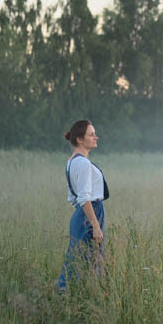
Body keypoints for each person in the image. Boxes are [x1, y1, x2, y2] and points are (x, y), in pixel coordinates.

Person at [56, 119, 110, 289]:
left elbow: (73, 197)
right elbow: (84, 197)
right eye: (91, 134)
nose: (96, 137)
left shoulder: (72, 161)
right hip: (90, 214)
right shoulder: (83, 163)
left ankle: (80, 297)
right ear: (80, 139)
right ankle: (64, 297)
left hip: (82, 215)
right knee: (81, 263)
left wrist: (83, 215)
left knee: (83, 261)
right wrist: (95, 225)